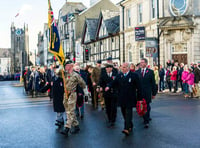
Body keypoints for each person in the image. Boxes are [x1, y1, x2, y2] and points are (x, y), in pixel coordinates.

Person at [105, 63, 141, 136]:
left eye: (124, 67)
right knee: (123, 112)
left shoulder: (134, 76)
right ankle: (130, 124)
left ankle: (126, 128)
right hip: (121, 98)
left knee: (128, 113)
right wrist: (108, 86)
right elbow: (113, 82)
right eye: (122, 67)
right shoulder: (119, 76)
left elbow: (139, 87)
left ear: (128, 68)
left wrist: (140, 98)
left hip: (130, 98)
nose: (122, 69)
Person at [61, 60, 86, 136]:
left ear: (71, 66)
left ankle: (67, 128)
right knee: (68, 110)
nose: (65, 67)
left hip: (72, 94)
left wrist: (86, 94)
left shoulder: (76, 75)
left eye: (66, 65)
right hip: (66, 94)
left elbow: (83, 84)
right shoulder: (64, 74)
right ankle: (76, 125)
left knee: (71, 110)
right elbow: (57, 73)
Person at [135, 58, 157, 128]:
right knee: (141, 105)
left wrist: (154, 93)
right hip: (139, 92)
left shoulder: (150, 72)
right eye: (140, 62)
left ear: (146, 63)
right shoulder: (137, 72)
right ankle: (144, 117)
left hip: (147, 92)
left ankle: (146, 121)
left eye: (142, 62)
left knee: (146, 106)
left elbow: (153, 83)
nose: (141, 63)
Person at [99, 63, 118, 128]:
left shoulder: (115, 74)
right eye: (106, 68)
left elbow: (116, 82)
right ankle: (109, 118)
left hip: (113, 92)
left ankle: (113, 119)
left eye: (108, 67)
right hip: (106, 93)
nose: (107, 69)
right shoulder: (103, 75)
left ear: (111, 68)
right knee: (108, 106)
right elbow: (101, 82)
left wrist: (109, 86)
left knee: (113, 107)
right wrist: (100, 87)